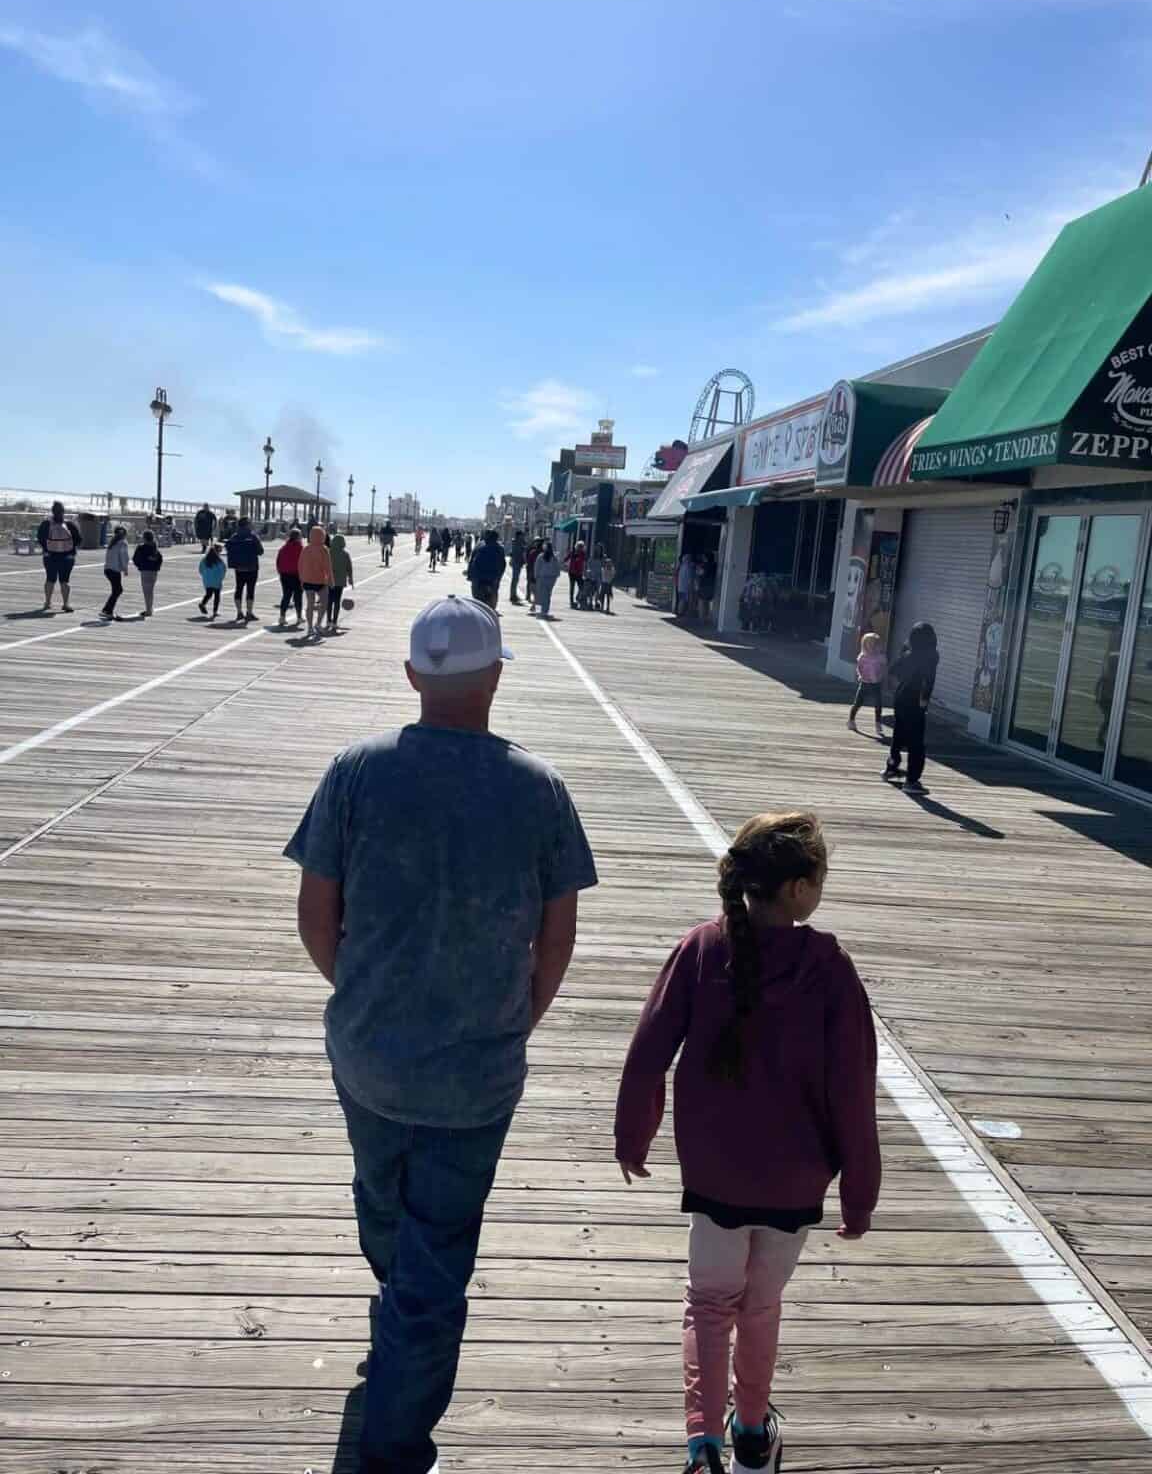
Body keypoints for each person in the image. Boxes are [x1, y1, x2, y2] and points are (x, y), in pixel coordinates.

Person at [285, 595, 597, 1474]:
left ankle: (397, 1316)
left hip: (368, 1056)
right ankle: (394, 1442)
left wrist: (364, 996)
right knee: (436, 1254)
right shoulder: (540, 789)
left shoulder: (355, 770)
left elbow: (314, 916)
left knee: (381, 1203)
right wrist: (517, 1020)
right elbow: (558, 937)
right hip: (477, 1075)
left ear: (413, 675)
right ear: (494, 676)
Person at [614, 812, 879, 1474]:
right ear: (797, 889)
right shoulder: (829, 968)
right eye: (820, 877)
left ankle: (703, 1442)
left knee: (709, 1304)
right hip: (794, 1182)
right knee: (760, 1304)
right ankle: (754, 1435)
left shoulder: (702, 949)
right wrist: (859, 1193)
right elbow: (854, 1090)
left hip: (716, 1176)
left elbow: (647, 1053)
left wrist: (633, 1134)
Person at [883, 621, 939, 796]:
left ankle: (891, 768)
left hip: (900, 698)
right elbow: (929, 680)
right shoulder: (931, 656)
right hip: (915, 701)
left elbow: (892, 672)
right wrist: (924, 701)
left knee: (898, 735)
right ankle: (912, 781)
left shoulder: (907, 654)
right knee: (916, 742)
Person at [36, 501, 82, 613]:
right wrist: (70, 550)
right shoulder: (69, 524)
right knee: (65, 581)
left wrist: (47, 549)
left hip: (50, 556)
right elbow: (78, 539)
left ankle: (47, 602)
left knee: (50, 579)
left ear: (52, 511)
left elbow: (40, 538)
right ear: (63, 512)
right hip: (67, 557)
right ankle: (66, 604)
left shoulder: (46, 524)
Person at [226, 516, 264, 625]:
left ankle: (239, 612)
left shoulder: (234, 536)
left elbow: (228, 547)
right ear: (247, 524)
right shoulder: (253, 536)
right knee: (250, 590)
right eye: (250, 523)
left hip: (239, 568)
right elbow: (260, 551)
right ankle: (249, 612)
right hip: (252, 567)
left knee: (238, 589)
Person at [299, 524, 334, 640]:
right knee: (324, 602)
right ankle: (318, 623)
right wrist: (331, 580)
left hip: (307, 581)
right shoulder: (324, 549)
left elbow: (300, 565)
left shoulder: (306, 549)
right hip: (320, 581)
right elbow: (328, 567)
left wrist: (301, 579)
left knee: (310, 604)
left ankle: (309, 628)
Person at [849, 632, 886, 736]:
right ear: (864, 645)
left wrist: (882, 677)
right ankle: (851, 720)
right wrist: (860, 676)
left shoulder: (880, 657)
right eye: (869, 644)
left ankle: (878, 724)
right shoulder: (862, 656)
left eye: (874, 644)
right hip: (865, 683)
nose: (871, 646)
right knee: (858, 703)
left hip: (876, 683)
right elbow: (859, 668)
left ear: (878, 645)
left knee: (878, 704)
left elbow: (883, 668)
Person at [467, 528, 507, 609]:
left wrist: (469, 575)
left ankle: (478, 609)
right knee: (494, 593)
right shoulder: (500, 548)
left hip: (479, 577)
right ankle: (492, 609)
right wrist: (499, 577)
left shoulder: (479, 545)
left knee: (477, 596)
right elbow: (503, 564)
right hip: (493, 577)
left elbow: (472, 561)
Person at [276, 528, 305, 627]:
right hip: (297, 575)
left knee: (286, 596)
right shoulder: (301, 548)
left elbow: (278, 561)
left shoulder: (283, 548)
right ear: (298, 537)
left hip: (285, 575)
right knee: (298, 597)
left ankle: (282, 617)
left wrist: (280, 571)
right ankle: (299, 617)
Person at [132, 528, 163, 617]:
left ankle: (148, 610)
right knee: (151, 591)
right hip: (154, 572)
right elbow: (160, 560)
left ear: (144, 538)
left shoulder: (141, 548)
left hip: (145, 571)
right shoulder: (155, 548)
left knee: (146, 592)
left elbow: (135, 559)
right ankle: (149, 609)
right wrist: (156, 567)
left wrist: (140, 566)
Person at [327, 531, 354, 631]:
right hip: (340, 581)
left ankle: (328, 620)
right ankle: (335, 622)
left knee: (329, 600)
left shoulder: (328, 552)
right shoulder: (345, 554)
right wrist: (350, 579)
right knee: (337, 601)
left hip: (329, 580)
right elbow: (349, 568)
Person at [101, 526, 129, 619]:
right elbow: (123, 557)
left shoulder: (112, 542)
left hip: (108, 569)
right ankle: (107, 610)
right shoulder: (123, 543)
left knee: (116, 590)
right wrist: (125, 569)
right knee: (118, 590)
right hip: (114, 570)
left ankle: (107, 609)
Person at [532, 541, 560, 618]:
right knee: (547, 595)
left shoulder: (541, 556)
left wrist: (536, 576)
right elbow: (557, 568)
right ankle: (545, 610)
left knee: (542, 595)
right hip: (551, 578)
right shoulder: (554, 557)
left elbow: (537, 567)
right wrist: (556, 575)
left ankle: (542, 611)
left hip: (542, 578)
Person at [199, 543, 226, 619]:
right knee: (217, 596)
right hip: (217, 581)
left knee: (208, 594)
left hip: (207, 580)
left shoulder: (204, 560)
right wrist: (221, 578)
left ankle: (203, 603)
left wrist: (205, 576)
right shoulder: (220, 561)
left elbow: (200, 570)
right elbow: (223, 570)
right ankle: (215, 611)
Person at [676, 551, 697, 619]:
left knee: (681, 600)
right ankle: (680, 613)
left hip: (681, 587)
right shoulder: (688, 567)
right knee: (683, 600)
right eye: (689, 558)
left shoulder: (682, 566)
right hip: (685, 587)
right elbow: (689, 578)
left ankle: (680, 613)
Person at [697, 554, 718, 625]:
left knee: (702, 603)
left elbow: (700, 574)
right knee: (709, 603)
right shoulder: (715, 565)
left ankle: (702, 619)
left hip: (703, 586)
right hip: (711, 586)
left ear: (706, 558)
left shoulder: (704, 566)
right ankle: (708, 618)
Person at [508, 531, 527, 606]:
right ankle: (513, 595)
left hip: (517, 562)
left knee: (515, 579)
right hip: (516, 562)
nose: (523, 537)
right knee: (515, 579)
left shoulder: (519, 542)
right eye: (522, 535)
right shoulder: (516, 543)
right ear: (518, 536)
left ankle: (514, 594)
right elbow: (517, 553)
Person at [566, 542, 587, 609]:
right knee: (572, 587)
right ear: (576, 546)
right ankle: (572, 602)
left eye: (581, 547)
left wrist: (584, 571)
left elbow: (585, 562)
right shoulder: (572, 553)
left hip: (579, 573)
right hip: (572, 573)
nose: (580, 548)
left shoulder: (583, 554)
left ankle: (578, 598)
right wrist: (567, 565)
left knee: (582, 587)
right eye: (579, 546)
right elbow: (565, 559)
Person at [583, 546, 603, 611]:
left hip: (599, 577)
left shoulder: (602, 559)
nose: (598, 551)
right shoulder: (591, 558)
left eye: (599, 550)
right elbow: (588, 566)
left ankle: (596, 602)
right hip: (592, 576)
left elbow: (603, 568)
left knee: (597, 591)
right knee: (591, 591)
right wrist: (588, 574)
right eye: (597, 550)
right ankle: (590, 603)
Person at [525, 539, 542, 607]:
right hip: (538, 572)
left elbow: (529, 561)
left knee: (530, 584)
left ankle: (529, 596)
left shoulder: (533, 551)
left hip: (531, 570)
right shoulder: (542, 553)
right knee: (537, 586)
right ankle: (535, 598)